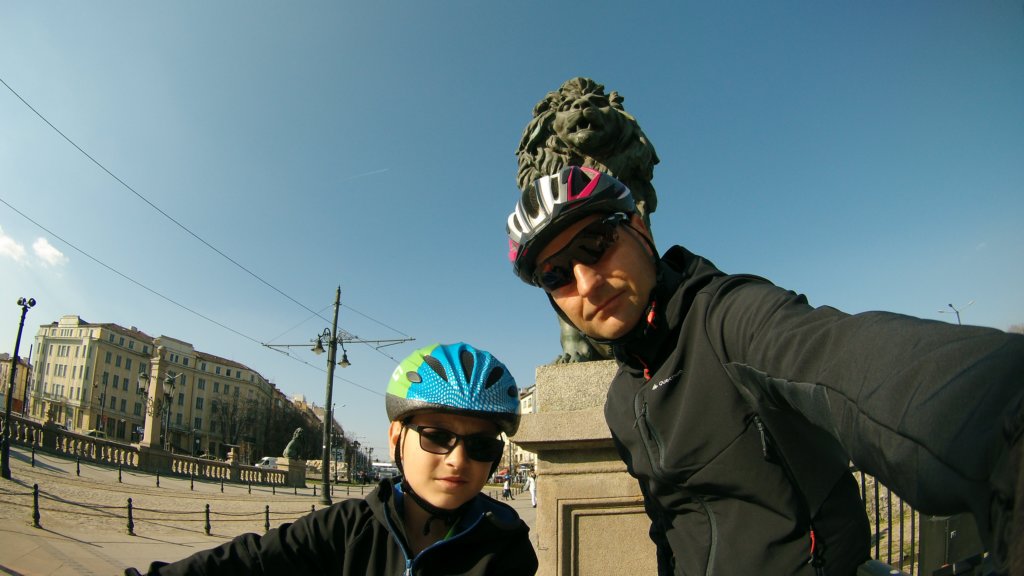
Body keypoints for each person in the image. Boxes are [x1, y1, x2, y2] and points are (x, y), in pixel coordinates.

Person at [506, 165, 1024, 576]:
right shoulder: (622, 401)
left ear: (639, 229)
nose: (586, 282)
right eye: (556, 274)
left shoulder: (730, 318)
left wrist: (1004, 423)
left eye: (596, 243)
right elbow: (669, 530)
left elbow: (853, 362)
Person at [126, 342, 539, 576]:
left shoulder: (506, 545)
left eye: (481, 446)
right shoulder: (345, 528)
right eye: (437, 436)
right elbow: (249, 562)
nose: (457, 460)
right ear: (396, 438)